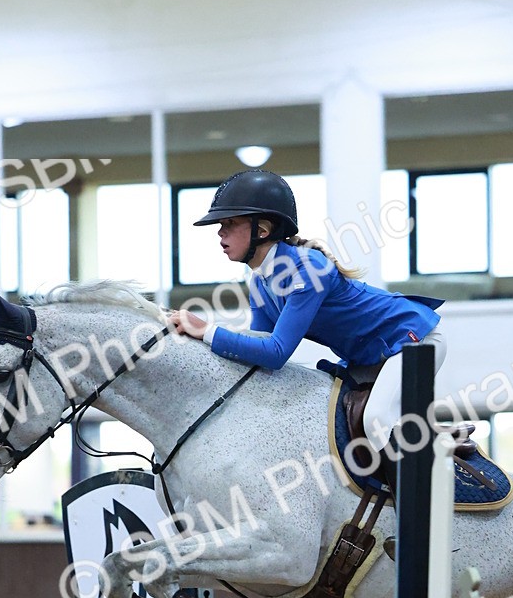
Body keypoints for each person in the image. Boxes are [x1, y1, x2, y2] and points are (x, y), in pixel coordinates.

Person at [168, 169, 446, 495]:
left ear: (263, 229)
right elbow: (257, 346)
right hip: (369, 357)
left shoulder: (308, 268)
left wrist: (208, 331)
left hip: (414, 340)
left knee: (375, 420)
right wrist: (194, 342)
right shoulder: (259, 281)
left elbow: (275, 353)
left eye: (229, 223)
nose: (220, 233)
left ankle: (412, 525)